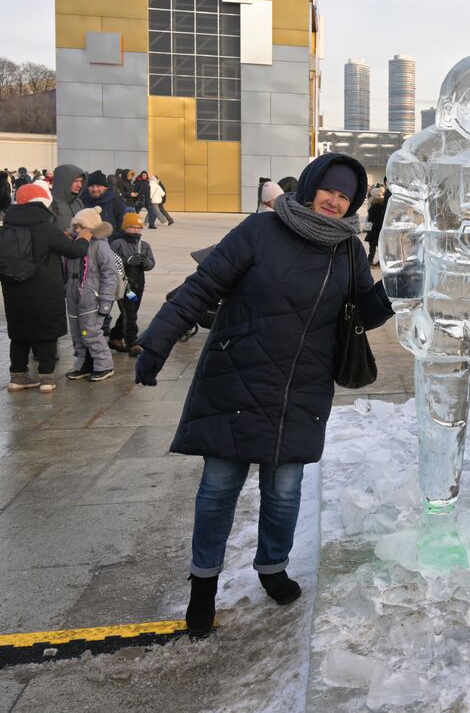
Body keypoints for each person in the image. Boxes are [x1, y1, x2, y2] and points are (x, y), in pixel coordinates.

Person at [134, 153, 394, 636]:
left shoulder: (349, 252)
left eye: (345, 196)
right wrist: (157, 340)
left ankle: (272, 568)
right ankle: (203, 586)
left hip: (302, 386)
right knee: (218, 490)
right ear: (312, 185)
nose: (335, 201)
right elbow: (201, 287)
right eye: (329, 190)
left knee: (284, 492)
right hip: (237, 376)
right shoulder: (259, 232)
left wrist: (397, 288)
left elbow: (362, 313)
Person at [3, 184, 91, 393]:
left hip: (14, 290)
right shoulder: (46, 226)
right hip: (44, 290)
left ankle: (17, 376)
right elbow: (73, 250)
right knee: (46, 332)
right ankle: (46, 378)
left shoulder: (8, 225)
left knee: (20, 334)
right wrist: (84, 238)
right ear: (44, 201)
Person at [64, 208, 119, 381]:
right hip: (73, 295)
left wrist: (105, 301)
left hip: (92, 297)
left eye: (82, 226)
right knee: (77, 333)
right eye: (76, 226)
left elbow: (109, 275)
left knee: (91, 332)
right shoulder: (73, 245)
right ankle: (83, 364)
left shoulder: (99, 245)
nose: (78, 230)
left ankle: (104, 364)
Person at [108, 212, 155, 356]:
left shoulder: (144, 245)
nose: (136, 230)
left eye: (139, 227)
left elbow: (151, 263)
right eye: (133, 227)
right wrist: (126, 261)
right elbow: (110, 262)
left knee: (129, 313)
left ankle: (115, 337)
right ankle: (132, 343)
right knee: (130, 314)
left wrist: (145, 262)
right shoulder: (116, 243)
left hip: (138, 283)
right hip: (123, 283)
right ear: (125, 227)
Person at [51, 165, 86, 229]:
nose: (79, 185)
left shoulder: (78, 202)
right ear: (63, 181)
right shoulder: (50, 202)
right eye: (75, 181)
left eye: (81, 181)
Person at [365, 184, 386, 266]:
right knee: (378, 245)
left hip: (374, 228)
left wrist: (367, 228)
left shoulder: (375, 205)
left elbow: (370, 218)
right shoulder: (382, 204)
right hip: (378, 228)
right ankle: (378, 261)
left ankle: (370, 260)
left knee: (373, 245)